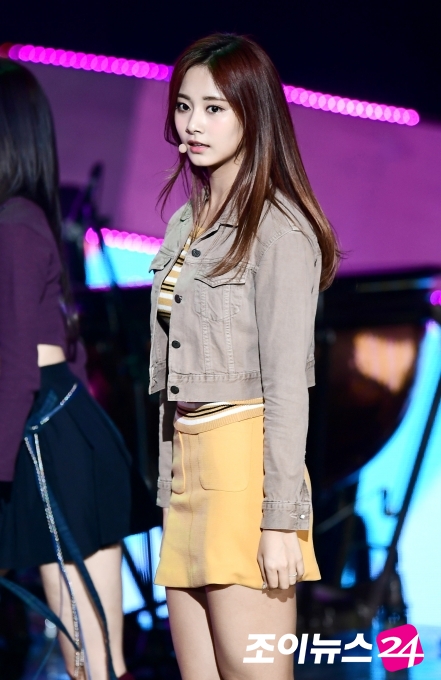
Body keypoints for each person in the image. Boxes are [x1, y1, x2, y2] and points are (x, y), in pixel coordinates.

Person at [149, 34, 340, 679]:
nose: (193, 124)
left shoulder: (278, 229)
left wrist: (280, 522)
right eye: (184, 106)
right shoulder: (185, 223)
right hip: (186, 465)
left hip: (243, 467)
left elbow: (288, 385)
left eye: (213, 108)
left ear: (253, 114)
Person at [0, 58, 153, 680]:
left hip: (45, 439)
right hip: (61, 432)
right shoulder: (28, 219)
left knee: (91, 658)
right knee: (97, 658)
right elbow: (66, 344)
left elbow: (16, 366)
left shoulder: (13, 225)